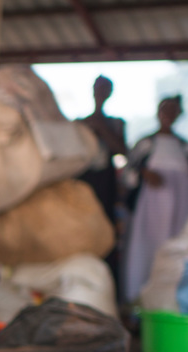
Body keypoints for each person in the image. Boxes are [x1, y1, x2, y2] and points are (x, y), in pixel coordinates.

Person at [121, 95, 188, 306]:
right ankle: (136, 302)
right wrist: (144, 173)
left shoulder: (184, 147)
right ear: (158, 112)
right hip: (149, 212)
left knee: (174, 252)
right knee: (145, 252)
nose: (168, 115)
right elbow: (128, 173)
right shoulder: (147, 143)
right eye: (165, 110)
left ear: (179, 115)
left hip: (178, 212)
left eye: (173, 111)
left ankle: (168, 303)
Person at [78, 76, 128, 286]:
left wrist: (102, 129)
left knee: (106, 228)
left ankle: (106, 279)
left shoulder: (116, 123)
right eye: (97, 88)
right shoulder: (81, 122)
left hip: (105, 183)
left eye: (104, 89)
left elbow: (122, 150)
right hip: (84, 180)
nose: (100, 93)